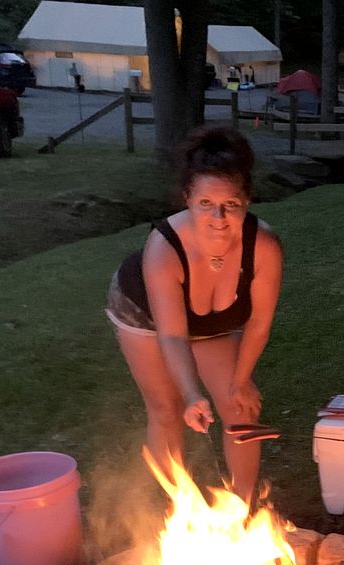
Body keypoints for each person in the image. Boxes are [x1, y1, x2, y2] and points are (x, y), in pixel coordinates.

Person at [106, 125, 283, 503]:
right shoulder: (164, 247)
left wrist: (241, 378)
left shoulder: (263, 246)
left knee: (241, 408)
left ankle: (241, 512)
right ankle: (181, 512)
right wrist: (191, 394)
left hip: (212, 325)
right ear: (188, 199)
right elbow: (172, 335)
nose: (218, 216)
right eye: (205, 204)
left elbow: (259, 322)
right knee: (167, 410)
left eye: (230, 205)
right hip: (145, 316)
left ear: (246, 201)